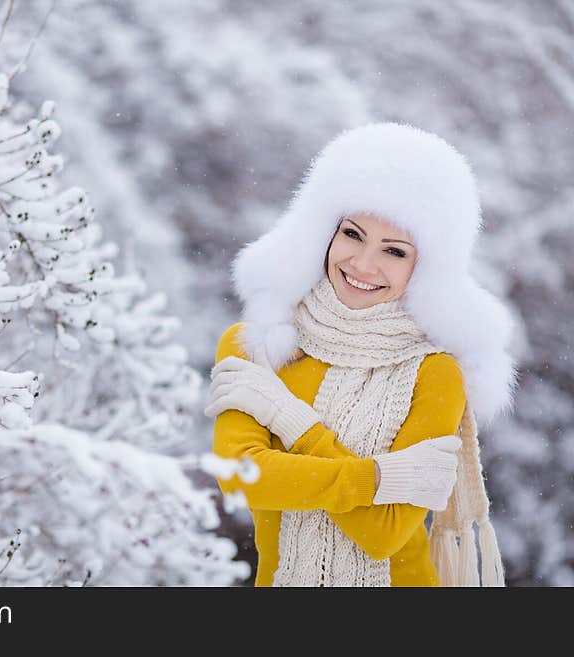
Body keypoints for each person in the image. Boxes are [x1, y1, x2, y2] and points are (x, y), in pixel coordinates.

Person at [205, 122, 518, 587]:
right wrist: (377, 480)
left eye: (394, 250)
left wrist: (288, 419)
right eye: (353, 234)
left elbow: (382, 533)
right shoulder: (256, 345)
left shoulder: (435, 373)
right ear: (323, 233)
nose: (363, 264)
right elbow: (239, 476)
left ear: (425, 266)